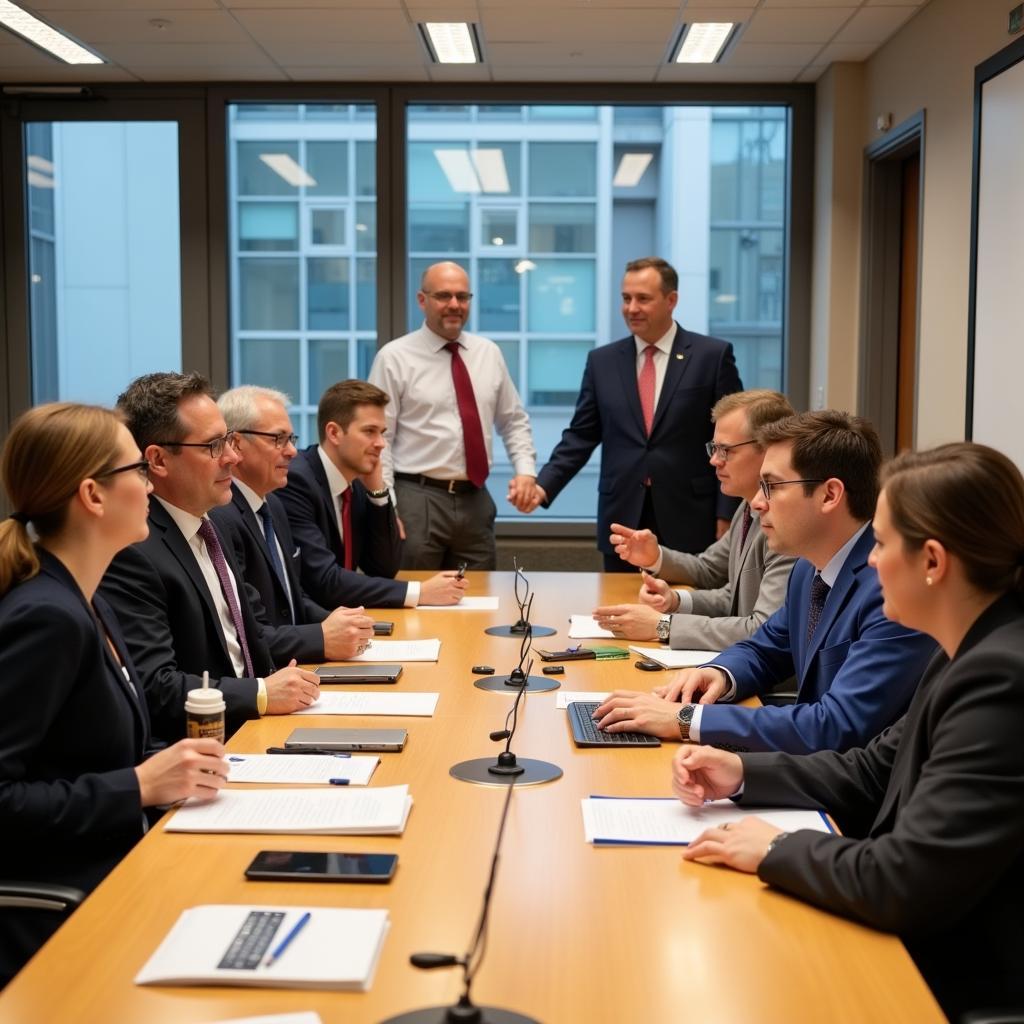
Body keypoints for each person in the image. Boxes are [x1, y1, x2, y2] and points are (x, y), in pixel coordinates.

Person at [673, 442, 1024, 1021]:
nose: (870, 562)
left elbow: (906, 879)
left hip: (954, 973)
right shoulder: (968, 650)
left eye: (883, 545)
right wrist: (738, 773)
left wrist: (777, 848)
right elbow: (871, 766)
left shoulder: (1000, 677)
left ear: (933, 562)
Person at [0, 403, 227, 986]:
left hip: (126, 863)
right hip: (76, 905)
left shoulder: (86, 596)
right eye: (138, 471)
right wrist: (139, 784)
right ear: (93, 496)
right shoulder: (46, 616)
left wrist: (171, 767)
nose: (151, 485)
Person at [593, 410, 936, 753]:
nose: (757, 503)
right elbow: (766, 647)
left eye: (771, 486)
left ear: (830, 495)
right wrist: (719, 674)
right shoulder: (807, 569)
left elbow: (836, 726)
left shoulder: (891, 590)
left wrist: (685, 719)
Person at [99, 372, 320, 743]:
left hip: (261, 724)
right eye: (214, 446)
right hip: (206, 747)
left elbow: (253, 636)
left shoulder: (215, 520)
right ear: (158, 460)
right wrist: (262, 694)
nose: (233, 457)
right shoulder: (134, 550)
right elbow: (155, 686)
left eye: (230, 441)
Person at [529, 257, 743, 571]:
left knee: (683, 611)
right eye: (626, 298)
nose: (632, 308)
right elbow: (581, 435)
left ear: (671, 301)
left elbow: (735, 438)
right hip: (623, 518)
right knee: (620, 609)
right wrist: (543, 485)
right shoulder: (602, 362)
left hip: (692, 517)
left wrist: (727, 513)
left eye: (643, 298)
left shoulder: (712, 357)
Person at [592, 389, 797, 649]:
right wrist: (673, 597)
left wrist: (662, 626)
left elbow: (762, 629)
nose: (714, 460)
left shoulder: (789, 524)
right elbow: (724, 586)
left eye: (725, 450)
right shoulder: (747, 507)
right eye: (714, 448)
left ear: (767, 449)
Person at [368, 261, 537, 570]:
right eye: (444, 296)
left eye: (463, 297)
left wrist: (526, 471)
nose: (454, 305)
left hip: (475, 499)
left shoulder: (488, 353)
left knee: (481, 599)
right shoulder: (394, 358)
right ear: (422, 300)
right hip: (416, 499)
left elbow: (513, 421)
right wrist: (387, 507)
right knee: (416, 599)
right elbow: (380, 441)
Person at [211, 385, 375, 664]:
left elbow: (292, 601)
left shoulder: (272, 504)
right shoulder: (221, 517)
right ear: (236, 444)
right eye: (278, 439)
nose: (292, 452)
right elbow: (250, 634)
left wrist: (342, 624)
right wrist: (323, 636)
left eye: (291, 439)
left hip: (296, 663)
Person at [277, 380, 467, 609]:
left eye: (382, 433)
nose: (381, 444)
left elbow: (383, 567)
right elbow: (325, 581)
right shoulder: (296, 481)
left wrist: (378, 493)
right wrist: (419, 592)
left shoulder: (355, 482)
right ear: (334, 433)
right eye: (369, 432)